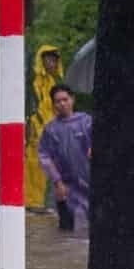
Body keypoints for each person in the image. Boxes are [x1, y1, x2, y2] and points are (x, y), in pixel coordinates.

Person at [36, 84, 91, 230]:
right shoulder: (50, 129)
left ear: (72, 99)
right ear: (53, 104)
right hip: (65, 186)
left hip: (90, 182)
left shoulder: (86, 121)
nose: (62, 104)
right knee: (67, 229)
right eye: (57, 101)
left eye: (65, 99)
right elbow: (44, 157)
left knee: (93, 228)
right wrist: (57, 181)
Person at [24, 45, 64, 211]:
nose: (52, 63)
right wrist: (35, 123)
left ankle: (37, 201)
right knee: (33, 164)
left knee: (43, 166)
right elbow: (34, 105)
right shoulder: (34, 79)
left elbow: (53, 106)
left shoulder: (52, 82)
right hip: (36, 127)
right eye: (49, 59)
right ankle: (30, 201)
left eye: (54, 60)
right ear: (42, 60)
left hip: (49, 129)